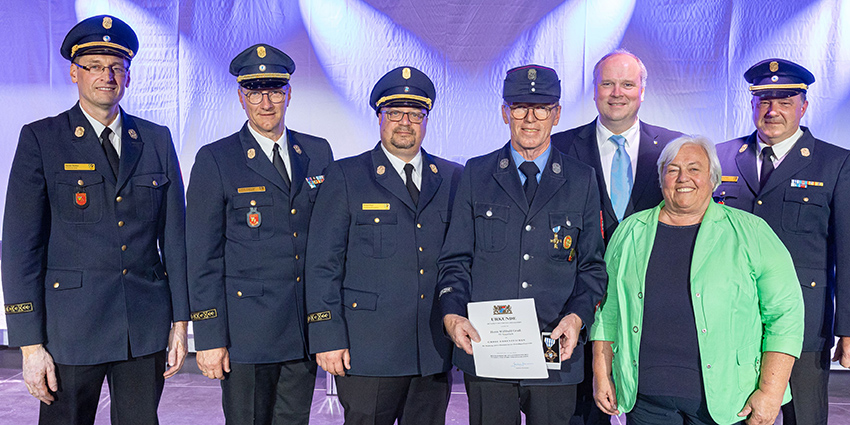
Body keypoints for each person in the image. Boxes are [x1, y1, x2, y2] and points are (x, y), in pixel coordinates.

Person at [1, 15, 188, 424]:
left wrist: (180, 322)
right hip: (71, 331)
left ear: (128, 76)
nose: (108, 76)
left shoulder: (155, 140)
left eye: (117, 67)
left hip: (142, 327)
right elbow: (19, 247)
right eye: (96, 66)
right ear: (74, 72)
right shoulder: (42, 139)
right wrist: (30, 345)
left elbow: (175, 239)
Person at [591, 135, 804, 425]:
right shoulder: (630, 233)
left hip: (728, 402)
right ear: (661, 178)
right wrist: (601, 374)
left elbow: (785, 314)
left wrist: (770, 391)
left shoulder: (751, 232)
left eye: (694, 169)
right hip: (646, 403)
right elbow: (608, 311)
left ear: (713, 179)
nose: (683, 178)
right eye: (673, 169)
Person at [437, 64, 607, 425]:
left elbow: (592, 267)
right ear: (504, 112)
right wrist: (452, 314)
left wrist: (578, 318)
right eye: (519, 107)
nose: (530, 118)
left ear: (557, 114)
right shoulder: (476, 174)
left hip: (555, 347)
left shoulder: (582, 180)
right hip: (489, 349)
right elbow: (455, 260)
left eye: (542, 107)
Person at [305, 66, 463, 425]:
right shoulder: (346, 177)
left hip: (431, 351)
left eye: (415, 113)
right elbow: (322, 264)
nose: (404, 122)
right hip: (367, 352)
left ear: (426, 119)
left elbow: (459, 260)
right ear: (379, 117)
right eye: (394, 112)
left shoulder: (453, 178)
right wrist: (327, 334)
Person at [186, 44, 333, 425]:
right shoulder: (217, 159)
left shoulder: (317, 152)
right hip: (245, 337)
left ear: (288, 94)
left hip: (301, 332)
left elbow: (326, 245)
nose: (265, 103)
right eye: (254, 92)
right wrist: (209, 336)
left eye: (274, 91)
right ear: (241, 98)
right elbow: (202, 257)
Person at [714, 58, 850, 425]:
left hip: (804, 322)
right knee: (733, 415)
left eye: (785, 101)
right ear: (752, 104)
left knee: (803, 417)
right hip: (733, 317)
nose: (772, 110)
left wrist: (848, 328)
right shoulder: (720, 157)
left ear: (803, 106)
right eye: (763, 101)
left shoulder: (835, 164)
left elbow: (848, 252)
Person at [550, 49, 682, 424]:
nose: (617, 92)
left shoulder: (676, 150)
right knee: (575, 415)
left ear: (643, 89)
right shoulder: (558, 148)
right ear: (593, 91)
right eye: (607, 83)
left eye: (627, 83)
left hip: (651, 313)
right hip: (573, 309)